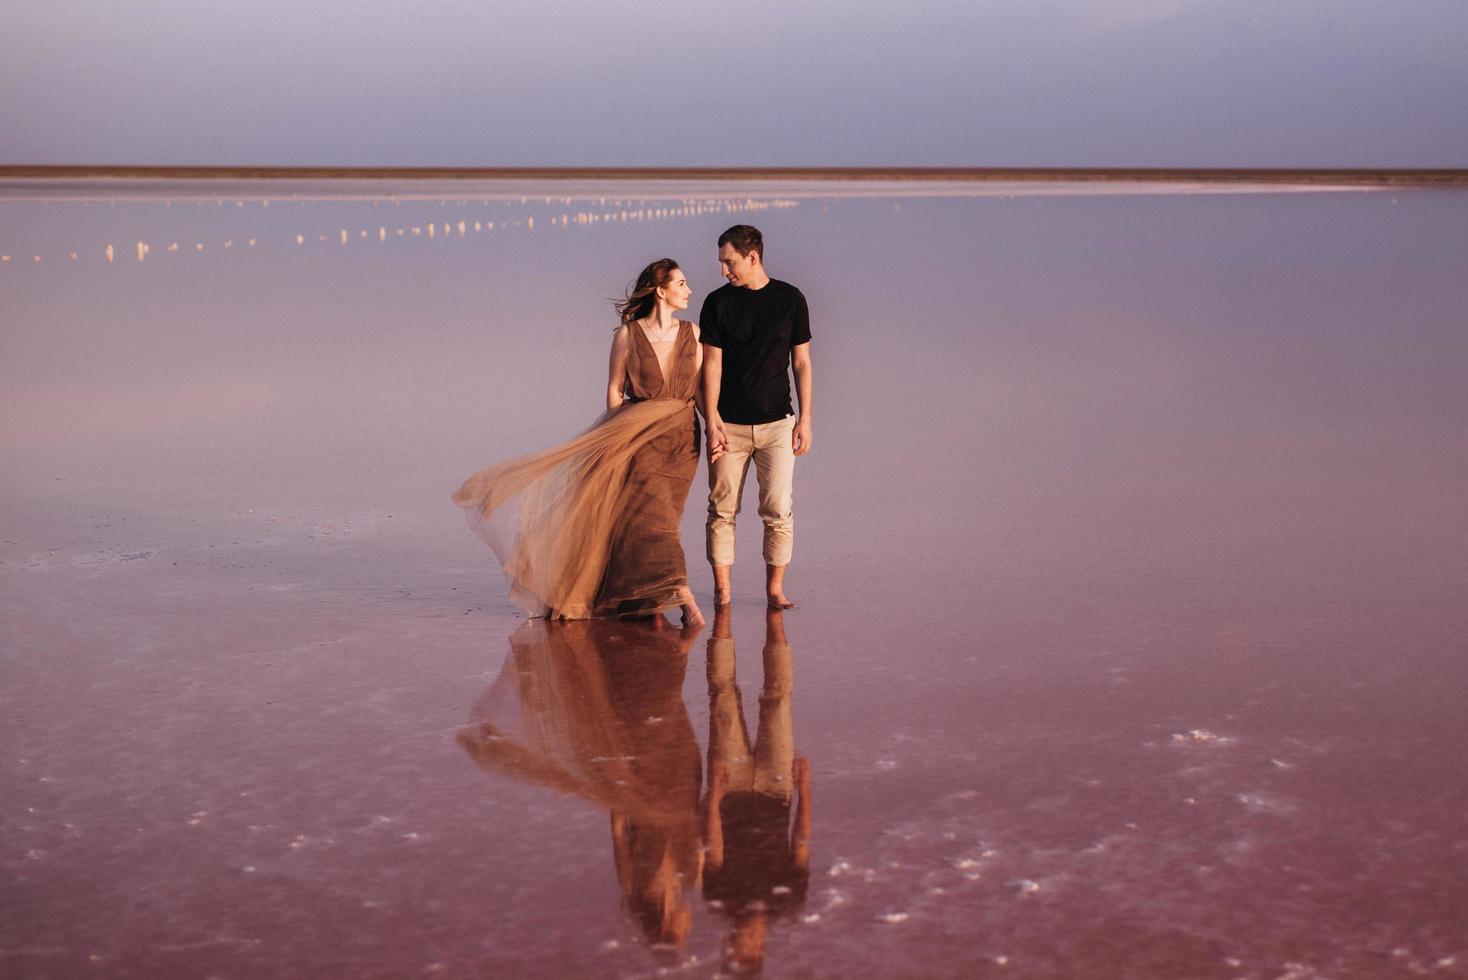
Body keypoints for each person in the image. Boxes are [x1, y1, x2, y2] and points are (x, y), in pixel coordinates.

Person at [453, 259, 711, 626]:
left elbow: (699, 391)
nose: (688, 290)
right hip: (637, 438)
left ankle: (646, 597)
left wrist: (714, 428)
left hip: (683, 439)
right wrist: (616, 438)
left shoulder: (693, 333)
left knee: (663, 517)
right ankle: (683, 596)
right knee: (653, 520)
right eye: (681, 283)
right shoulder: (627, 335)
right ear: (660, 289)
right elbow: (613, 390)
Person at [700, 225, 813, 610]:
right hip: (727, 426)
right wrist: (711, 419)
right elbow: (710, 366)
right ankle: (723, 591)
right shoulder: (717, 303)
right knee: (722, 510)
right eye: (721, 263)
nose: (723, 271)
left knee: (778, 509)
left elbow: (802, 362)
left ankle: (774, 591)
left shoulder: (791, 299)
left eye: (729, 262)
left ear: (752, 256)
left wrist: (806, 419)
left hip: (778, 424)